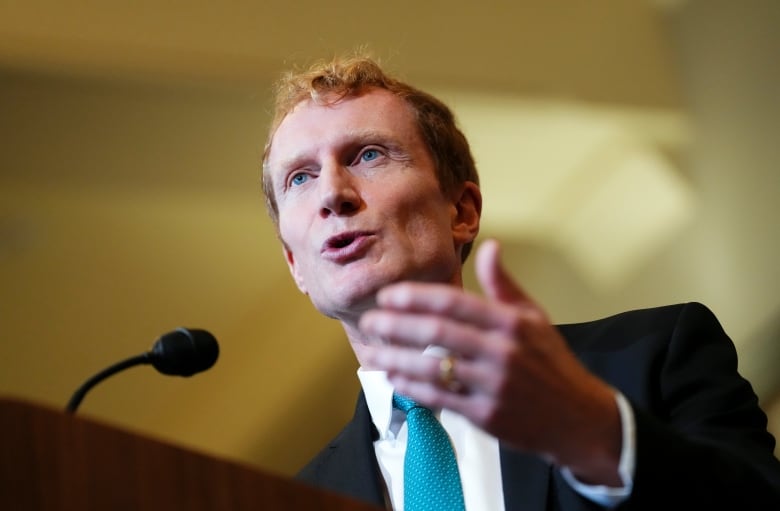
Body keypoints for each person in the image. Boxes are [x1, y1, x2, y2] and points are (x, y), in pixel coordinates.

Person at [260, 52, 780, 510]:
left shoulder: (655, 357)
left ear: (461, 210)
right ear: (295, 265)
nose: (333, 193)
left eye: (368, 154)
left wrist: (593, 433)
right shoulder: (292, 498)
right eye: (299, 178)